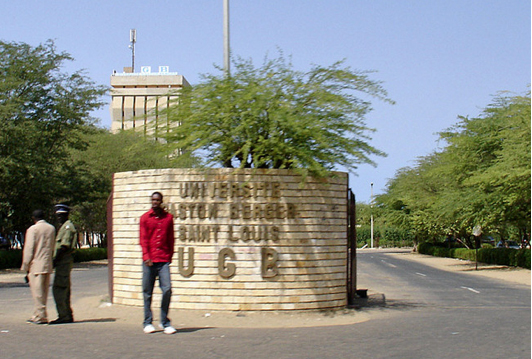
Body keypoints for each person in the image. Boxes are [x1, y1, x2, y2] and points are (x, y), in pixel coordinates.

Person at [139, 191, 176, 334]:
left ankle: (164, 322)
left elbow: (171, 238)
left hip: (163, 259)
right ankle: (147, 322)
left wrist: (170, 255)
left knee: (167, 289)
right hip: (149, 260)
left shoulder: (168, 218)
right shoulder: (145, 218)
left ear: (161, 202)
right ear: (151, 201)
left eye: (157, 200)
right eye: (153, 200)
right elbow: (143, 239)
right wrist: (146, 256)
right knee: (147, 292)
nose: (155, 202)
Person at [20, 209, 56, 324]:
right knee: (43, 291)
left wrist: (25, 265)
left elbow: (29, 249)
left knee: (37, 292)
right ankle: (37, 314)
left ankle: (41, 316)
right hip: (47, 263)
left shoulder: (32, 230)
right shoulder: (51, 228)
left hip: (36, 265)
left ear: (33, 218)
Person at [50, 204, 77, 325]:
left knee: (59, 289)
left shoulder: (67, 227)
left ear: (66, 215)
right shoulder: (64, 227)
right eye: (58, 216)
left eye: (61, 215)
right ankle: (66, 314)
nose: (59, 218)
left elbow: (64, 246)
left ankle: (63, 315)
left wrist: (55, 261)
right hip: (63, 262)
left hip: (63, 262)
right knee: (64, 289)